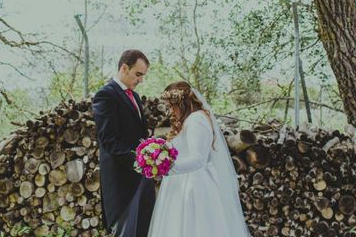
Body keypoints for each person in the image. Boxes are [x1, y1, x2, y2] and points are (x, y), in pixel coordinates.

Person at [148, 81, 250, 237]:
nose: (170, 111)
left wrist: (166, 167)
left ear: (181, 102)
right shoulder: (190, 120)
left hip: (193, 187)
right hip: (181, 184)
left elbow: (198, 159)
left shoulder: (196, 120)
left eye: (171, 106)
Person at [92, 49, 156, 237]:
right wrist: (138, 161)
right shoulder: (106, 95)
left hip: (143, 179)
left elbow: (139, 136)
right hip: (122, 183)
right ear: (124, 68)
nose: (141, 80)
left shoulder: (134, 97)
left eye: (143, 76)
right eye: (138, 74)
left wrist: (152, 154)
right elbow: (109, 140)